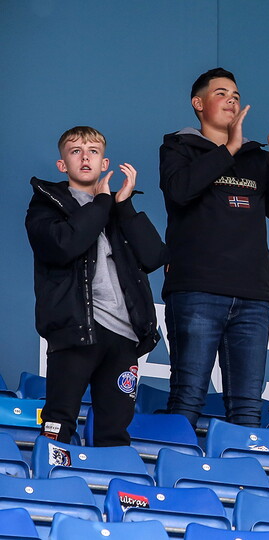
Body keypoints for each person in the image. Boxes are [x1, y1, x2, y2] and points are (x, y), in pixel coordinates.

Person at [160, 67, 269, 428]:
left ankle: (244, 485)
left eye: (235, 95)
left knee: (247, 409)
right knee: (188, 398)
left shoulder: (256, 157)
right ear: (198, 103)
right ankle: (177, 481)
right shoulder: (178, 147)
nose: (231, 99)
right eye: (221, 93)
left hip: (252, 296)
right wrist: (229, 148)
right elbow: (180, 191)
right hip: (197, 291)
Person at [26, 126, 167, 446]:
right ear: (63, 165)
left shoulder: (118, 210)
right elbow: (64, 246)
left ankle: (113, 493)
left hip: (125, 337)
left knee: (114, 434)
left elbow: (154, 256)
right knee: (58, 422)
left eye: (93, 151)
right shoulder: (47, 204)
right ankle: (53, 489)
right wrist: (103, 201)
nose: (85, 157)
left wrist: (124, 205)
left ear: (105, 163)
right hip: (76, 330)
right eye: (75, 151)